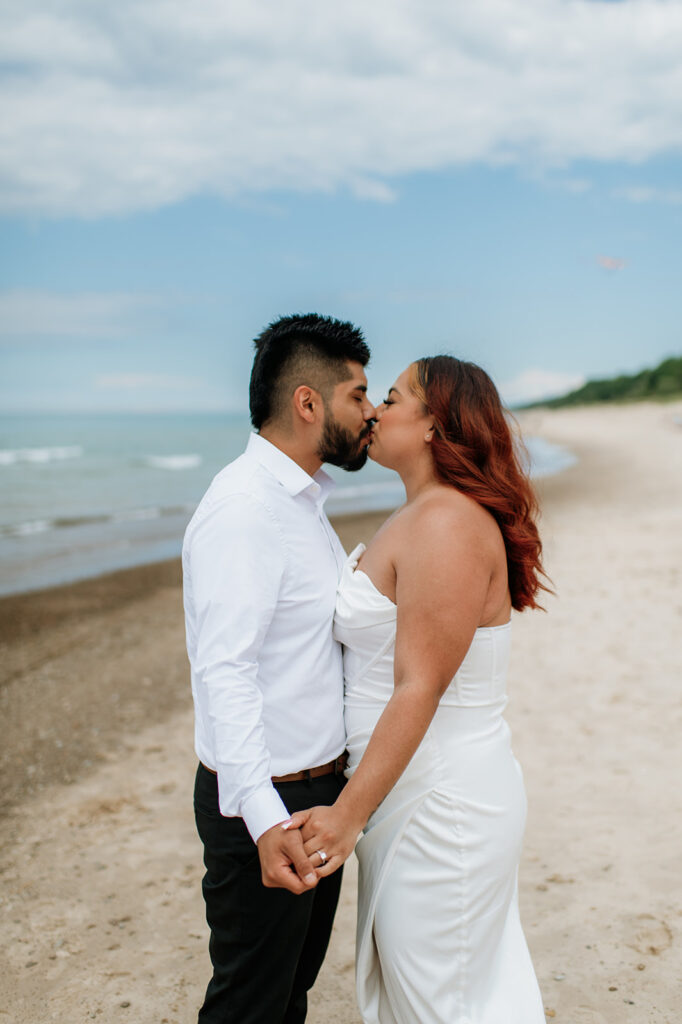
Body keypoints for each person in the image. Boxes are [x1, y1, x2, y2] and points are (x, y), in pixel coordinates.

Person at [289, 355, 548, 1023]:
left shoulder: (445, 523)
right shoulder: (424, 513)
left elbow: (420, 686)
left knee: (445, 998)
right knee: (434, 988)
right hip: (410, 791)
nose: (373, 410)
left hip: (442, 803)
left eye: (394, 398)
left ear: (436, 423)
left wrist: (344, 817)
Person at [182, 313, 376, 1024]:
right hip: (267, 804)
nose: (371, 412)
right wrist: (267, 822)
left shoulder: (301, 503)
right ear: (308, 402)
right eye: (358, 395)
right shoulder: (245, 510)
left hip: (317, 797)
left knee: (286, 996)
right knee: (249, 1007)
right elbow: (223, 671)